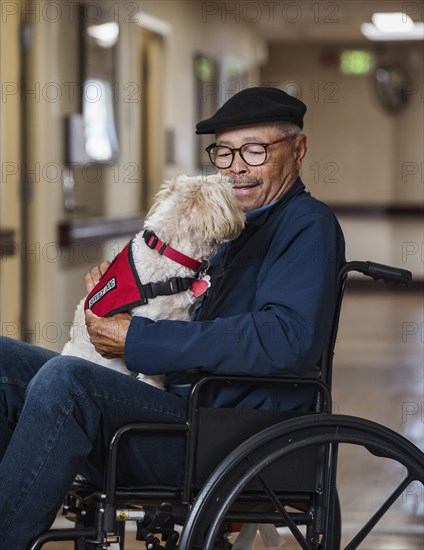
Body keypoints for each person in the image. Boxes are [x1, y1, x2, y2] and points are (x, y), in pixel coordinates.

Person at [0, 87, 345, 547]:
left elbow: (286, 337)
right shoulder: (228, 229)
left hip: (224, 432)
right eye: (223, 152)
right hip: (179, 405)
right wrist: (123, 293)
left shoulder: (307, 225)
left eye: (255, 150)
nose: (235, 165)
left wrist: (138, 339)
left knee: (68, 383)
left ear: (297, 150)